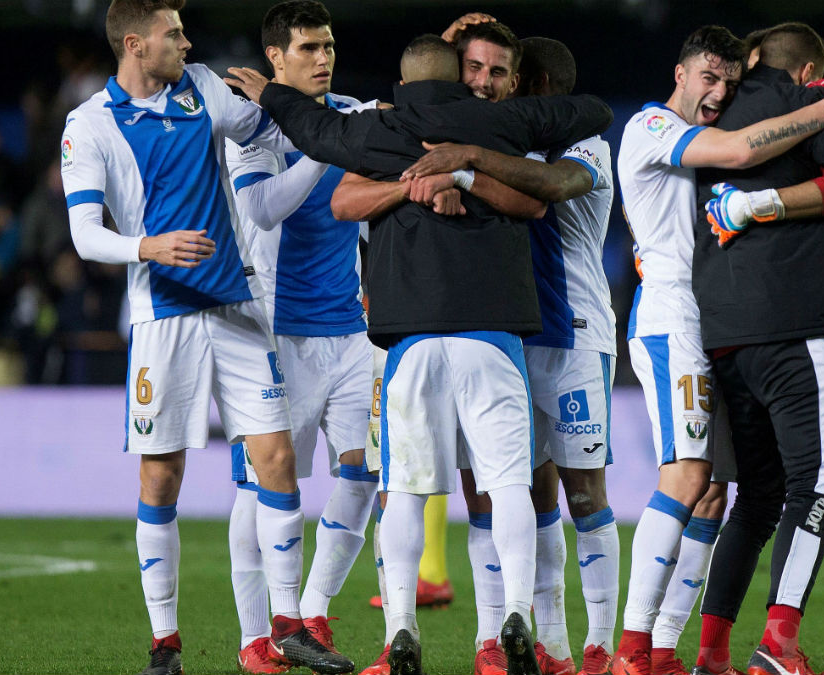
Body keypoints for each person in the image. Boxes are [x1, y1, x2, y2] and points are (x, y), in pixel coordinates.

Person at [225, 33, 613, 675]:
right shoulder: (507, 122)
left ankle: (401, 626)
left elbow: (317, 133)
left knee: (403, 491)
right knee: (508, 483)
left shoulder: (382, 128)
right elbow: (590, 114)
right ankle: (516, 610)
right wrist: (472, 165)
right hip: (493, 335)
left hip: (407, 340)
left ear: (403, 86)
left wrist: (274, 95)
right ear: (462, 79)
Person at [59, 2, 353, 674]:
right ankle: (165, 644)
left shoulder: (203, 87)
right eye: (174, 35)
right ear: (136, 45)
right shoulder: (90, 126)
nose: (187, 44)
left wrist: (276, 94)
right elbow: (84, 233)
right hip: (165, 319)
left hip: (238, 308)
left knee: (276, 460)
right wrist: (148, 245)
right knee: (162, 476)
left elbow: (262, 126)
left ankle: (287, 628)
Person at [612, 25, 824, 675]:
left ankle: (670, 647)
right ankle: (633, 649)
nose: (718, 92)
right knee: (688, 476)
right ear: (680, 73)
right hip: (671, 319)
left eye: (728, 81)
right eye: (707, 78)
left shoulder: (701, 128)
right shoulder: (651, 127)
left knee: (716, 493)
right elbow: (738, 151)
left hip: (714, 321)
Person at [688, 23, 824, 675]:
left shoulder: (710, 117)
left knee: (754, 497)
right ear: (807, 71)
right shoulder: (805, 107)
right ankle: (779, 641)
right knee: (820, 483)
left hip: (721, 332)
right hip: (791, 324)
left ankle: (709, 653)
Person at [399, 35, 619, 675]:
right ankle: (537, 644)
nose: (491, 87)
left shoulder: (585, 147)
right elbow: (427, 88)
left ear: (536, 87)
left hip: (575, 335)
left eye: (506, 77)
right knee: (518, 496)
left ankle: (601, 644)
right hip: (508, 337)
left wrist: (468, 159)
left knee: (585, 496)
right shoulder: (493, 137)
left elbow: (551, 187)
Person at [222, 2, 379, 673]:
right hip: (271, 333)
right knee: (261, 488)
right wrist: (325, 141)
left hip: (350, 331)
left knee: (364, 473)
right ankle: (255, 637)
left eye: (330, 46)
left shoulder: (352, 110)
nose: (324, 58)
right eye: (309, 48)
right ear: (276, 59)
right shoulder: (253, 124)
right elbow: (262, 205)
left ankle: (309, 613)